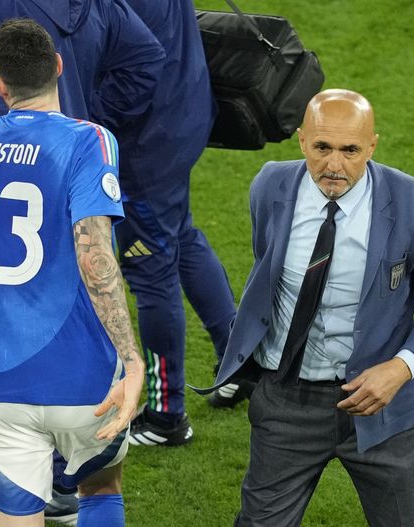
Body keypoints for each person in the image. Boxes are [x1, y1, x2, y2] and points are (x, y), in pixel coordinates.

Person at [198, 89, 414, 525]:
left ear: (373, 146)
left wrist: (400, 368)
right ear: (303, 140)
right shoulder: (270, 186)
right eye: (322, 148)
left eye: (350, 151)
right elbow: (267, 265)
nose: (334, 166)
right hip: (286, 399)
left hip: (381, 406)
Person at [0, 19, 144, 527]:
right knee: (100, 486)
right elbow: (95, 254)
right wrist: (132, 361)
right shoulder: (90, 141)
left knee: (13, 516)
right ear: (60, 67)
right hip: (83, 376)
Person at [116, 0, 239, 448]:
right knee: (179, 235)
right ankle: (240, 361)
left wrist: (92, 116)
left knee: (150, 270)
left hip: (145, 144)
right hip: (183, 114)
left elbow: (134, 67)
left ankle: (166, 415)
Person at [0, 0, 165, 179]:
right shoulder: (99, 5)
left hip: (8, 174)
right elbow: (146, 58)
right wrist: (90, 122)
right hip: (71, 169)